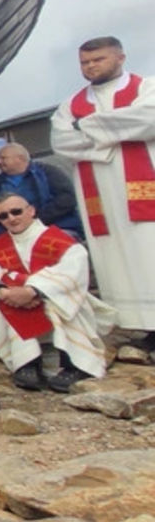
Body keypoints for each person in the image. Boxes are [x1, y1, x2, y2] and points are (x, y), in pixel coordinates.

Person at [51, 36, 155, 349]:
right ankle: (138, 325)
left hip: (142, 185)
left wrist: (87, 127)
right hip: (99, 193)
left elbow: (147, 121)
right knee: (115, 258)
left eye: (99, 60)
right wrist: (112, 139)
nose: (91, 66)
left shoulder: (145, 89)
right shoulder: (71, 105)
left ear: (120, 58)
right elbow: (62, 142)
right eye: (85, 62)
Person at [0, 193, 114, 392]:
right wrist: (2, 292)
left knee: (60, 303)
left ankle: (74, 365)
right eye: (4, 216)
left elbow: (73, 271)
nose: (11, 218)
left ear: (31, 210)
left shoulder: (59, 239)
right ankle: (27, 364)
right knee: (5, 304)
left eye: (16, 212)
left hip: (54, 298)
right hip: (14, 301)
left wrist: (33, 290)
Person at [0, 143, 82, 245]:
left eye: (3, 158)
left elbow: (68, 198)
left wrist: (34, 219)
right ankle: (10, 257)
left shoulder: (47, 172)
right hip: (13, 231)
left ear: (20, 158)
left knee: (61, 239)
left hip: (52, 226)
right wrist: (8, 218)